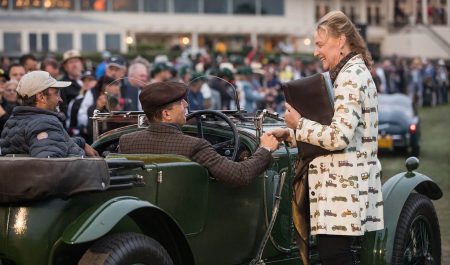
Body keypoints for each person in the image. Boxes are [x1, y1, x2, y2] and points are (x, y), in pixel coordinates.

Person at [270, 11, 384, 265]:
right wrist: (291, 134)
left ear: (341, 40)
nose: (316, 52)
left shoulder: (350, 76)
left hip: (343, 188)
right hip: (343, 186)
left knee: (335, 257)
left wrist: (298, 123)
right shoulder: (350, 73)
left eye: (320, 44)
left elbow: (339, 136)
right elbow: (339, 128)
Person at [119, 81, 279, 186]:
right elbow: (240, 175)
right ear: (166, 114)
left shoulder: (126, 142)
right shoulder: (194, 145)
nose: (186, 104)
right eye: (181, 103)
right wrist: (265, 149)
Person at [0, 71, 98, 158]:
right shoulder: (44, 124)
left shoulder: (13, 121)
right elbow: (49, 165)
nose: (60, 99)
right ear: (41, 97)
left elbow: (53, 141)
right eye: (56, 94)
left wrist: (80, 143)